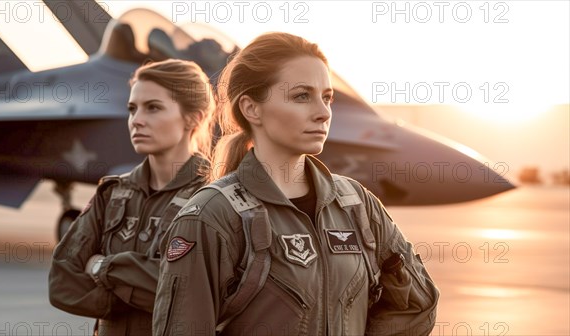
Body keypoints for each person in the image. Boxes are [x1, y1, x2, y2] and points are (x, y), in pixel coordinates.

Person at [153, 32, 439, 335]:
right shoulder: (212, 216)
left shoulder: (357, 205)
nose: (323, 112)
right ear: (251, 108)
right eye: (302, 96)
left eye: (326, 97)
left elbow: (416, 305)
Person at [49, 58, 215, 336]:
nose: (137, 120)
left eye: (153, 108)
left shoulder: (213, 196)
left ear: (193, 118)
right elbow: (61, 282)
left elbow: (196, 294)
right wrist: (142, 295)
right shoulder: (112, 193)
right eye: (132, 109)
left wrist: (103, 267)